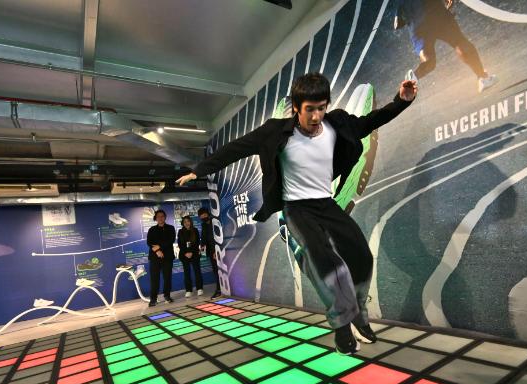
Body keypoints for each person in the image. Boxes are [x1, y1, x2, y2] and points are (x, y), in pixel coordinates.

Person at [176, 72, 417, 355]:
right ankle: (342, 327)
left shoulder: (337, 124)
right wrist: (199, 171)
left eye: (321, 108)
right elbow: (235, 149)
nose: (316, 116)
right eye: (309, 109)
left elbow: (371, 121)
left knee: (361, 256)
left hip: (325, 204)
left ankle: (358, 314)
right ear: (296, 108)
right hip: (296, 208)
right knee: (326, 261)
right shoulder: (276, 132)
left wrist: (401, 101)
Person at [394, 0, 497, 93]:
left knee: (429, 61)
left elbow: (397, 24)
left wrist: (412, 16)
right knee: (458, 42)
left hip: (418, 30)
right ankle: (483, 78)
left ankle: (413, 77)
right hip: (437, 16)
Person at [146, 209, 175, 306]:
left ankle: (167, 296)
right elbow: (149, 242)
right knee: (154, 279)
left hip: (168, 257)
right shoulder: (152, 229)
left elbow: (171, 240)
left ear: (165, 217)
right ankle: (153, 299)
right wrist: (157, 251)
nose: (160, 218)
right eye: (158, 216)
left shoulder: (171, 228)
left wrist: (159, 246)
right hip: (154, 258)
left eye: (162, 216)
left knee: (167, 278)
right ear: (156, 218)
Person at [198, 207, 222, 299]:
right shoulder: (204, 225)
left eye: (204, 214)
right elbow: (204, 238)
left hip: (219, 250)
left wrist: (216, 250)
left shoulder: (215, 222)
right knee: (216, 271)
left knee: (221, 270)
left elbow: (217, 237)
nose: (203, 217)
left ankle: (220, 290)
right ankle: (219, 289)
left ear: (208, 214)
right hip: (212, 252)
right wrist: (202, 249)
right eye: (201, 216)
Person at [178, 216, 204, 298]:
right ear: (183, 223)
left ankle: (199, 288)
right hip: (184, 254)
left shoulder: (195, 230)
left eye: (188, 221)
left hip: (194, 254)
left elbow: (197, 243)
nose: (187, 223)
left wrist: (191, 252)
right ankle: (188, 290)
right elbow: (180, 244)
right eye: (185, 222)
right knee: (187, 273)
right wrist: (186, 253)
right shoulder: (180, 231)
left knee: (197, 271)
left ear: (191, 222)